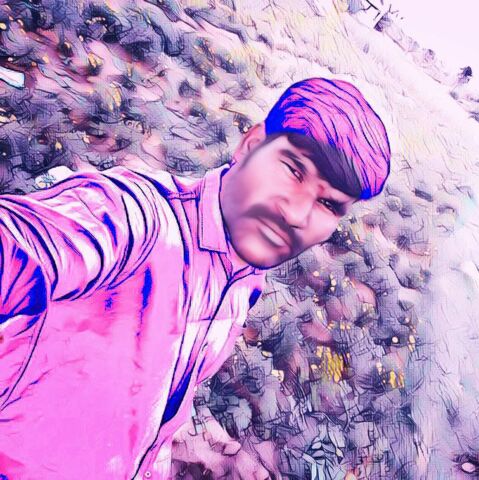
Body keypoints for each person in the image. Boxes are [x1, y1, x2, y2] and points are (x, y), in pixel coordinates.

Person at [0, 77, 391, 479]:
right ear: (251, 145)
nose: (296, 214)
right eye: (293, 170)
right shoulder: (140, 219)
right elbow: (24, 247)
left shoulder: (244, 282)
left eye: (327, 203)